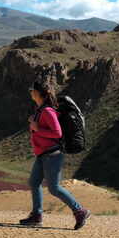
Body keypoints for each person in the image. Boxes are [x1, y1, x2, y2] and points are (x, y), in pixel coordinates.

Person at [19, 81, 90, 230]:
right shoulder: (40, 110)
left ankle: (80, 211)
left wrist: (37, 129)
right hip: (43, 154)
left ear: (39, 93)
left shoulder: (48, 111)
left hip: (52, 155)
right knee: (34, 182)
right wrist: (34, 123)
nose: (31, 92)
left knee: (54, 188)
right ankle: (36, 216)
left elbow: (57, 133)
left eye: (33, 90)